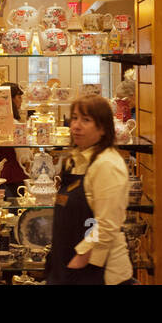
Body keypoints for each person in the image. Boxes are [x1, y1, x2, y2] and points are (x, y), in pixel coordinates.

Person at [46, 94, 131, 285]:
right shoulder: (75, 160)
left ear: (102, 128)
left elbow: (107, 224)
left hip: (97, 273)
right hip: (69, 266)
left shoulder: (107, 164)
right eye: (74, 118)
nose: (75, 125)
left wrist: (78, 262)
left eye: (86, 120)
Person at [0, 82, 27, 190]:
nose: (21, 100)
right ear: (11, 99)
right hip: (14, 177)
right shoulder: (15, 125)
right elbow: (24, 157)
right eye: (19, 97)